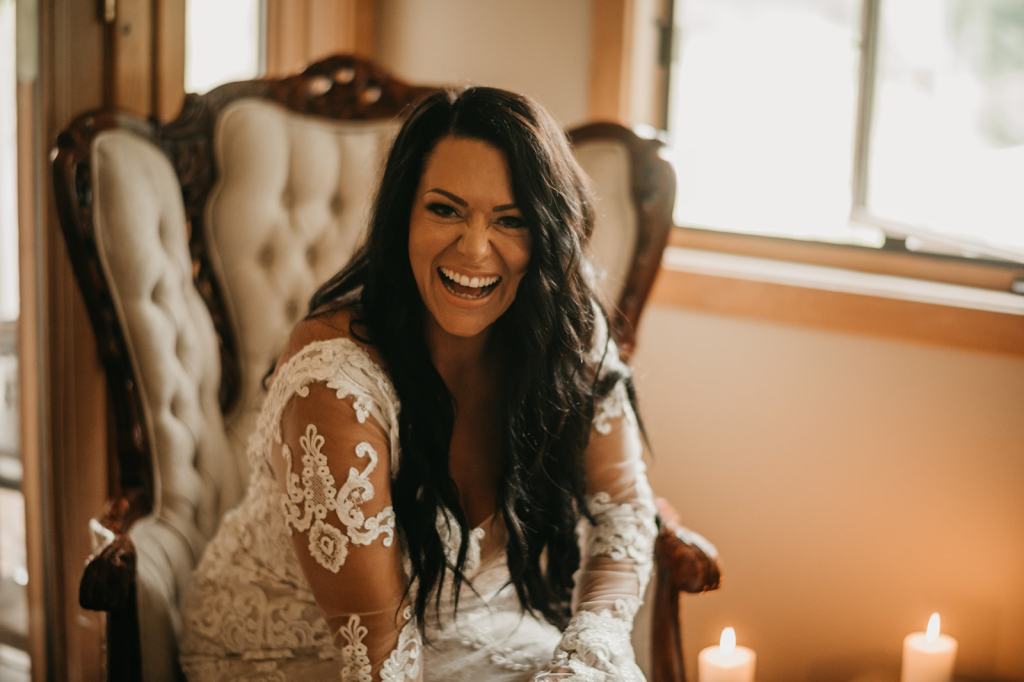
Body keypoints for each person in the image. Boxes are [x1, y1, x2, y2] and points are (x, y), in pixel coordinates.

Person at [179, 86, 657, 681]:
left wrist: (589, 654)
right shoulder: (335, 383)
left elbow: (623, 512)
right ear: (402, 214)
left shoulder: (564, 335)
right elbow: (378, 660)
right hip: (292, 658)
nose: (475, 249)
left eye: (510, 220)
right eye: (445, 209)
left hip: (462, 631)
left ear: (545, 237)